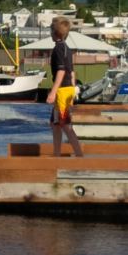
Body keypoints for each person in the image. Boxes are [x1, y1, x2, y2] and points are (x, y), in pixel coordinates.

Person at [46, 16, 84, 157]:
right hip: (68, 90)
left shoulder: (58, 49)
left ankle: (80, 155)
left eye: (50, 30)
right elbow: (72, 72)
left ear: (54, 33)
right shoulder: (67, 49)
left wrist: (53, 92)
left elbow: (61, 71)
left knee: (65, 125)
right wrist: (73, 92)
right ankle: (56, 154)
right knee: (55, 124)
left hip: (62, 91)